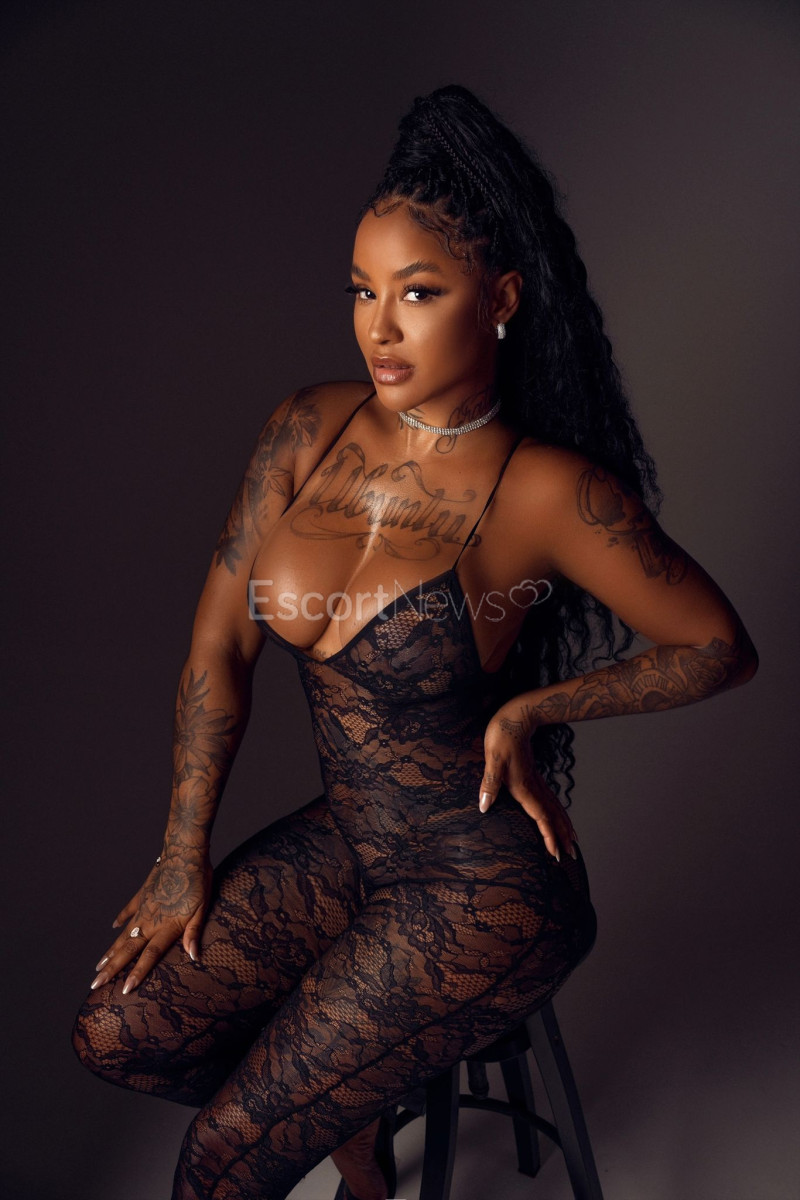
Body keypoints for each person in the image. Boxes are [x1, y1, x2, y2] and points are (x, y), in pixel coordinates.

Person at [71, 84, 758, 1200]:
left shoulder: (546, 492)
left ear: (500, 299)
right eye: (362, 290)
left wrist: (532, 709)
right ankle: (341, 1100)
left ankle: (328, 1102)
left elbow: (719, 645)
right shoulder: (307, 426)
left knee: (221, 1159)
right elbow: (219, 645)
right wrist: (181, 849)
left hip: (481, 885)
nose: (378, 327)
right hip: (349, 844)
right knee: (116, 1032)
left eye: (418, 293)